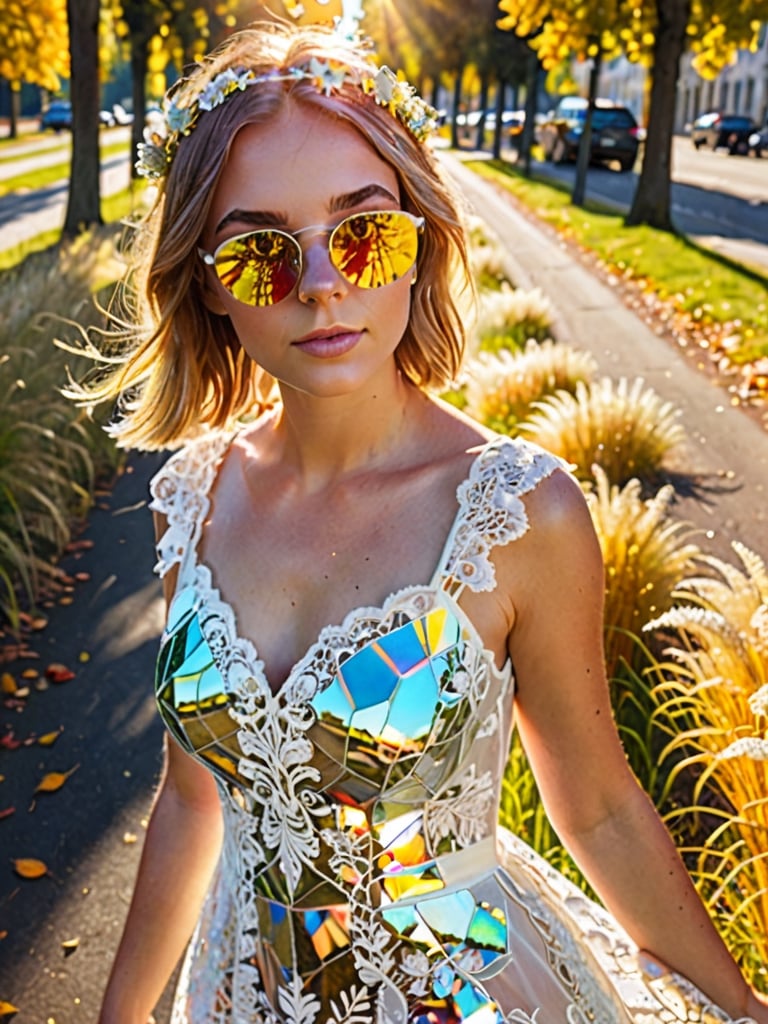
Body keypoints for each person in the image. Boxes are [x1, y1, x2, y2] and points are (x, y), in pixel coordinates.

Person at [90, 19, 768, 1024]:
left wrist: (743, 1009)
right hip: (243, 994)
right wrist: (123, 1013)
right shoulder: (186, 502)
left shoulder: (515, 513)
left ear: (419, 243)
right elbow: (193, 802)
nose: (324, 284)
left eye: (362, 231)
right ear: (209, 285)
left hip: (467, 995)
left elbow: (601, 808)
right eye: (263, 252)